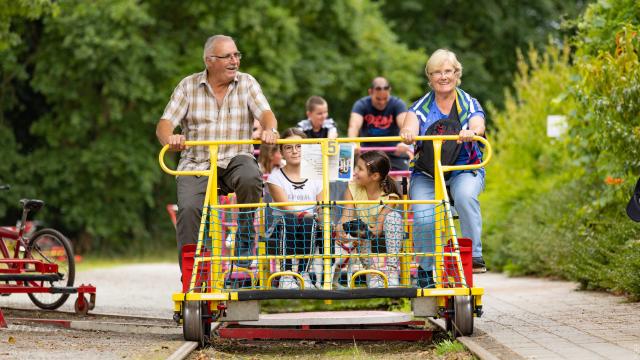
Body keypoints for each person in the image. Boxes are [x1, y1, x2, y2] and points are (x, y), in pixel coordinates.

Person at [156, 35, 279, 272]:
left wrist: (269, 129)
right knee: (189, 209)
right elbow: (164, 125)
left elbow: (266, 113)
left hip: (235, 158)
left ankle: (244, 242)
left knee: (250, 176)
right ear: (209, 61)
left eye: (237, 55)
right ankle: (193, 274)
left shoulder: (247, 83)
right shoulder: (188, 86)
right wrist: (170, 139)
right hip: (197, 163)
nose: (235, 61)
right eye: (228, 56)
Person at [400, 49, 487, 287]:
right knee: (424, 216)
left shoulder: (467, 102)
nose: (443, 76)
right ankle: (426, 269)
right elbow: (410, 124)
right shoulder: (421, 106)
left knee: (465, 196)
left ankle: (473, 254)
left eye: (448, 71)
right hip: (429, 172)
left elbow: (478, 123)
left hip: (463, 167)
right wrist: (408, 133)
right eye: (437, 72)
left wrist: (472, 131)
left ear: (456, 73)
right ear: (430, 78)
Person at [266, 128, 323, 289]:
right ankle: (287, 274)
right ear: (282, 151)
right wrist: (309, 214)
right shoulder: (275, 178)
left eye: (299, 146)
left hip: (309, 226)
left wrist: (322, 218)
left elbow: (322, 206)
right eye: (289, 147)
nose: (295, 151)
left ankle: (303, 273)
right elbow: (287, 208)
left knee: (310, 224)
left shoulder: (317, 175)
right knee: (290, 219)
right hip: (282, 227)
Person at [336, 151, 403, 288]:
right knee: (358, 228)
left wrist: (375, 228)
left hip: (384, 232)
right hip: (363, 234)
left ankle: (392, 270)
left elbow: (381, 221)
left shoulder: (390, 195)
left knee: (394, 217)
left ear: (375, 176)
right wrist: (341, 227)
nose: (355, 172)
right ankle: (372, 274)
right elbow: (347, 214)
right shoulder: (352, 189)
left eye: (360, 169)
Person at [348, 77, 411, 171]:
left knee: (404, 177)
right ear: (370, 92)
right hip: (368, 152)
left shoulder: (397, 104)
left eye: (385, 98)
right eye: (378, 98)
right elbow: (354, 126)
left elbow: (405, 125)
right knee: (358, 175)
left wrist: (404, 143)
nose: (382, 102)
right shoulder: (361, 104)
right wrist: (353, 142)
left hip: (394, 152)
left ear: (389, 91)